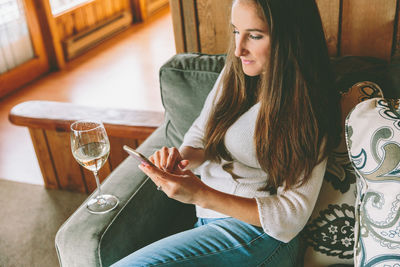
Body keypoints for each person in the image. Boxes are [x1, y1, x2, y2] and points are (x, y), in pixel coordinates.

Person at [112, 0, 340, 266]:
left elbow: (291, 216)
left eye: (254, 35)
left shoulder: (310, 107)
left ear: (291, 38)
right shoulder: (238, 71)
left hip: (259, 235)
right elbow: (202, 133)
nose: (238, 48)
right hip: (209, 223)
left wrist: (200, 193)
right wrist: (181, 159)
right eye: (235, 31)